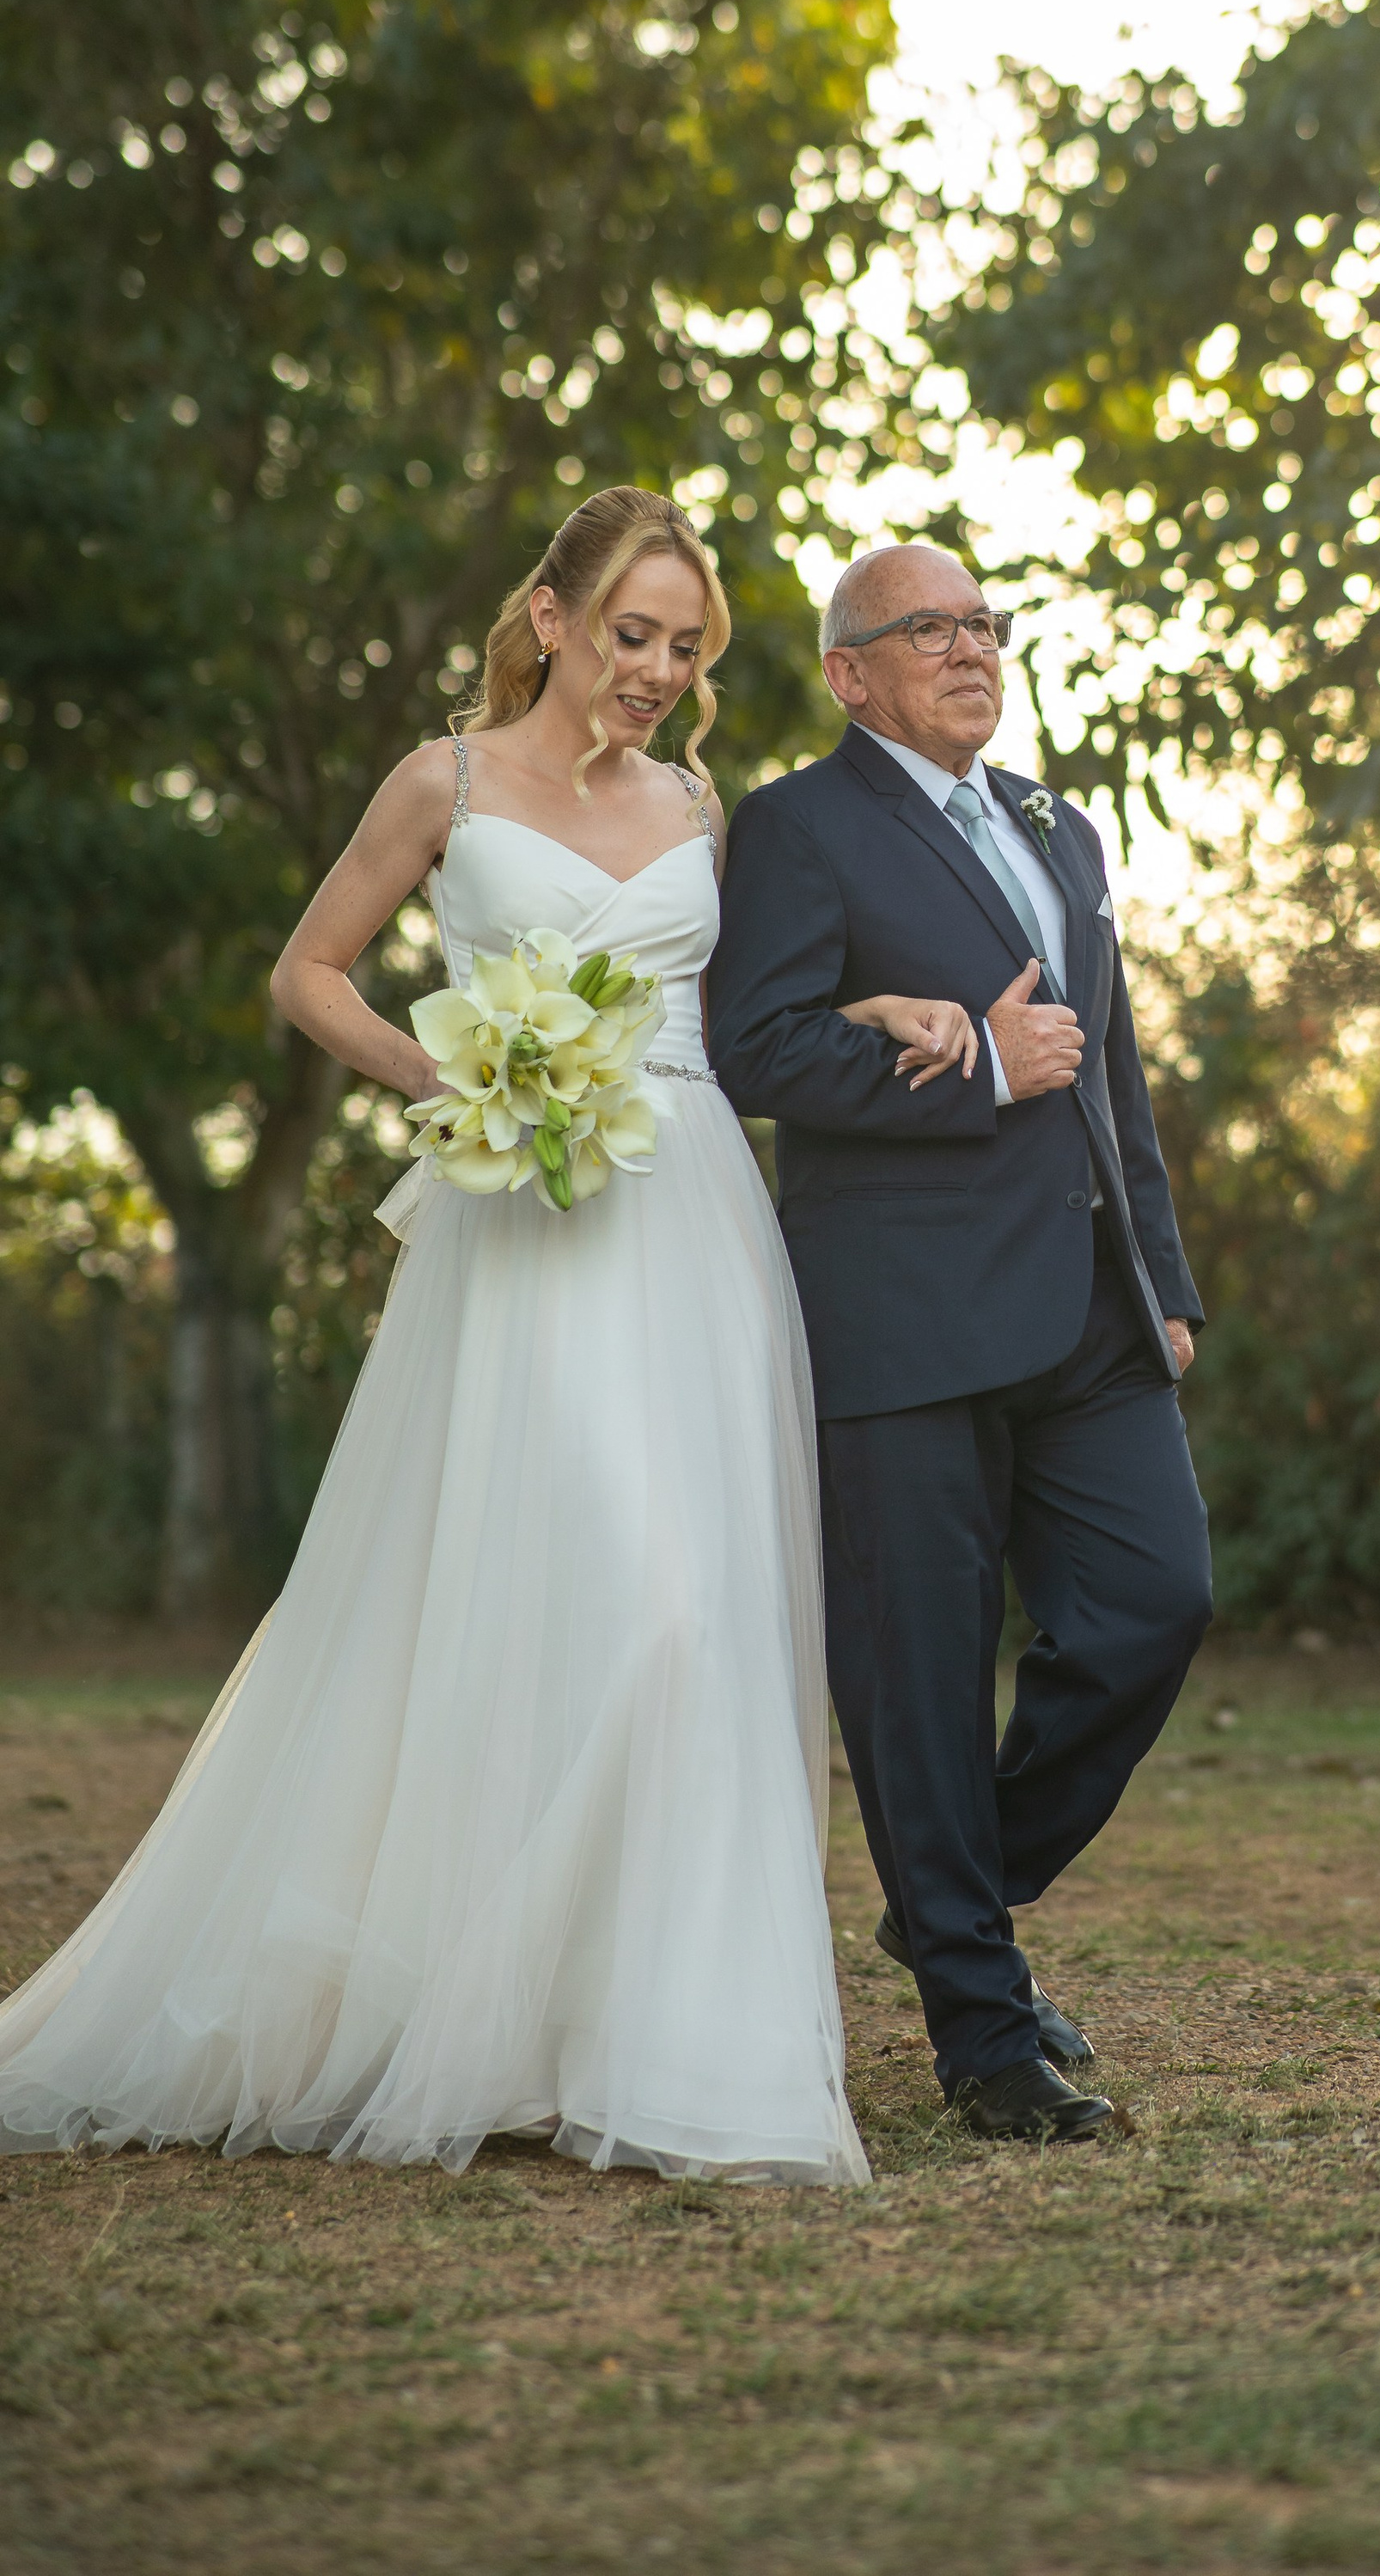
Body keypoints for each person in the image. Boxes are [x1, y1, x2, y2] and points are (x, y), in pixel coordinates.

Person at [0, 487, 967, 2186]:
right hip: (516, 1228)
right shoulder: (438, 786)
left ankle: (643, 2037)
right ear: (549, 617)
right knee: (555, 1603)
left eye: (683, 646)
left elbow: (743, 1025)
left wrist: (866, 1010)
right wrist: (448, 1075)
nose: (657, 669)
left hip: (688, 1231)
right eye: (630, 633)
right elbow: (312, 972)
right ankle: (459, 2010)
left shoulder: (700, 806)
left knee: (689, 1618)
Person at [708, 540, 1212, 2145]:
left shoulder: (1062, 825)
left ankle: (949, 1905)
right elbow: (752, 1050)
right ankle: (985, 2041)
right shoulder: (796, 827)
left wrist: (1166, 1275)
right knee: (918, 1689)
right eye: (929, 629)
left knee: (1152, 1606)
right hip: (901, 1320)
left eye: (987, 625)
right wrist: (984, 1066)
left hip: (1091, 1311)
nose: (972, 649)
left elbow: (1114, 1068)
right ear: (850, 673)